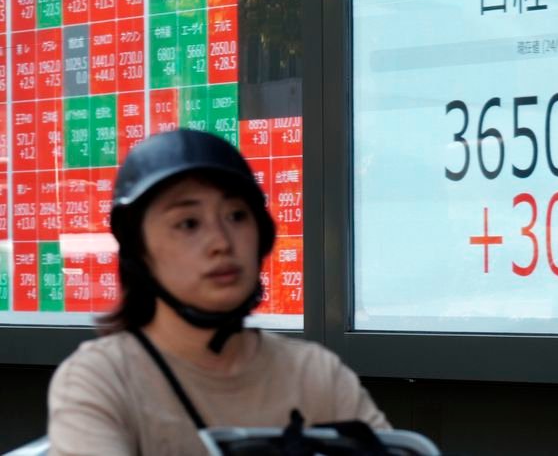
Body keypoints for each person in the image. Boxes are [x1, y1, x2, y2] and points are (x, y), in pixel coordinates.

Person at [48, 129, 389, 455]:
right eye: (189, 223)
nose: (221, 243)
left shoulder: (316, 374)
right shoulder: (101, 379)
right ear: (139, 251)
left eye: (237, 216)